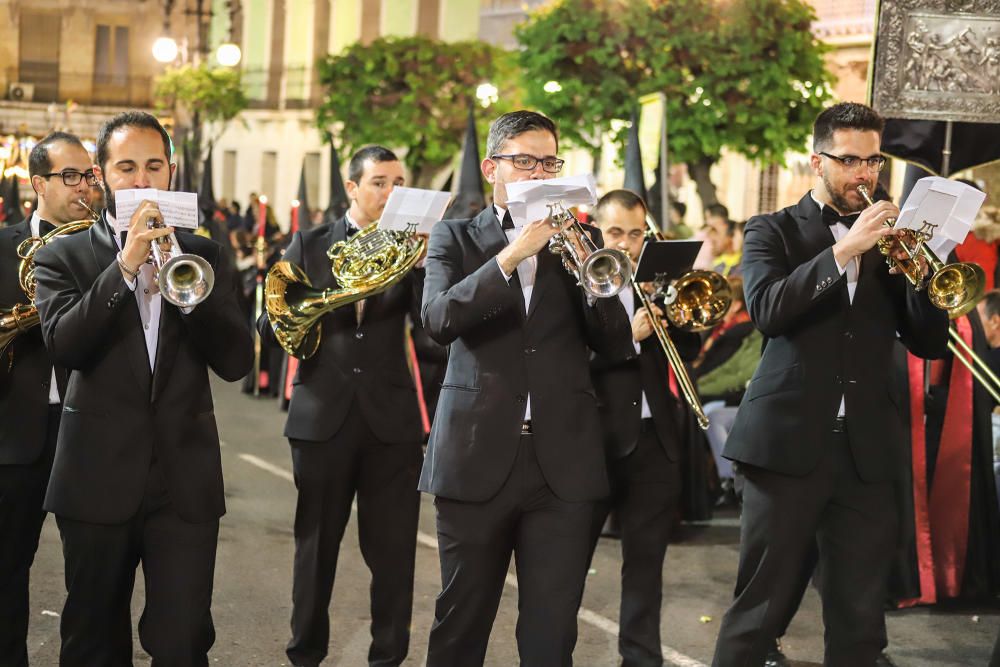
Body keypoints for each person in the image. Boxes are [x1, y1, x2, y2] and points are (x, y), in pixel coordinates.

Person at [711, 102, 949, 667]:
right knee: (758, 610)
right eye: (849, 161)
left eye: (873, 161)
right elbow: (768, 309)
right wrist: (845, 249)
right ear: (817, 161)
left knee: (861, 617)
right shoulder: (771, 228)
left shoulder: (896, 239)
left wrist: (928, 268)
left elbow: (929, 341)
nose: (864, 174)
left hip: (866, 448)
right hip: (785, 444)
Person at [32, 110, 253, 665]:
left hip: (184, 483)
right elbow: (65, 347)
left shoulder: (207, 254)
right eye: (126, 167)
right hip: (96, 477)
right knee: (93, 640)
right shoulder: (64, 254)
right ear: (102, 177)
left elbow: (234, 363)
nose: (142, 180)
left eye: (154, 166)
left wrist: (184, 279)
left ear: (171, 171)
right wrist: (124, 270)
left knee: (183, 641)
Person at [419, 110, 633, 667]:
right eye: (525, 161)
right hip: (476, 455)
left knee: (552, 630)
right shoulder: (455, 236)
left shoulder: (579, 241)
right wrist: (514, 255)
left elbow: (613, 346)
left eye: (549, 162)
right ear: (493, 167)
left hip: (561, 462)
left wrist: (596, 279)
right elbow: (439, 320)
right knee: (461, 619)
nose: (540, 173)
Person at [258, 146, 425, 667]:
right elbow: (271, 323)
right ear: (352, 188)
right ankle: (305, 653)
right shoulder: (310, 243)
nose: (391, 192)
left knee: (394, 552)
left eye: (399, 182)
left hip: (391, 421)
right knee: (315, 548)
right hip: (322, 415)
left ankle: (388, 657)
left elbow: (434, 326)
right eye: (379, 182)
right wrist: (311, 312)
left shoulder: (416, 247)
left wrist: (423, 267)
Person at [588, 189, 701, 667]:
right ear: (596, 232)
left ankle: (641, 659)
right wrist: (627, 337)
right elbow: (567, 360)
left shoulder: (654, 280)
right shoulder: (580, 284)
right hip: (592, 440)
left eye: (636, 234)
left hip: (654, 442)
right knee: (567, 562)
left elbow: (689, 352)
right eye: (616, 233)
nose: (628, 244)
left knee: (646, 567)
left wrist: (672, 316)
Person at [0, 131, 95, 666]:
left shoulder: (109, 248)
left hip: (91, 431)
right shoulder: (1, 247)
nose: (85, 187)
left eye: (90, 175)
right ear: (38, 183)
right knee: (8, 569)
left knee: (93, 574)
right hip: (16, 434)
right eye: (70, 176)